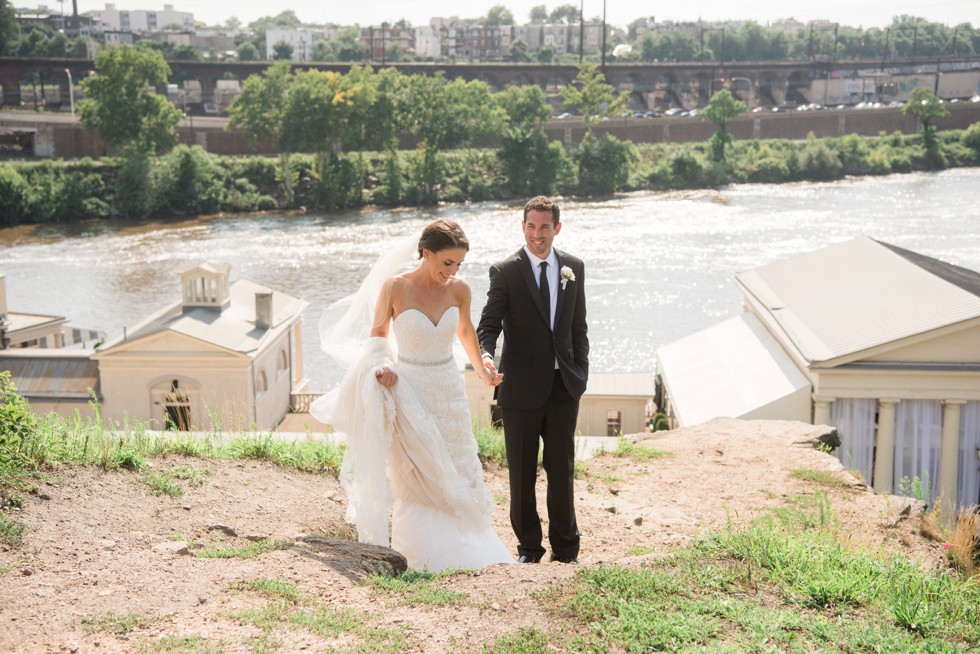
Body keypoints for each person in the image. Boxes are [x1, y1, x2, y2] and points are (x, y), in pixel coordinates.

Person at [310, 219, 513, 572]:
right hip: (410, 389)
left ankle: (472, 554)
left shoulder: (460, 289)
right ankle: (420, 558)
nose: (451, 272)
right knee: (415, 472)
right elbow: (378, 335)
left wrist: (482, 365)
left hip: (449, 390)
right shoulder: (395, 287)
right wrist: (383, 366)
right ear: (426, 253)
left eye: (458, 265)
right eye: (446, 263)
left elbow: (464, 330)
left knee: (460, 464)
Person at [478, 196, 589, 564]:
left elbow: (578, 328)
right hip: (520, 388)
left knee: (562, 470)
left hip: (563, 388)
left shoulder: (574, 268)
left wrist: (580, 373)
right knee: (522, 475)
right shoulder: (505, 271)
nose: (537, 235)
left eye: (544, 227)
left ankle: (566, 549)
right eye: (531, 226)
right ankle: (529, 549)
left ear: (557, 228)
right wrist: (487, 355)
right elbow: (489, 325)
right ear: (522, 226)